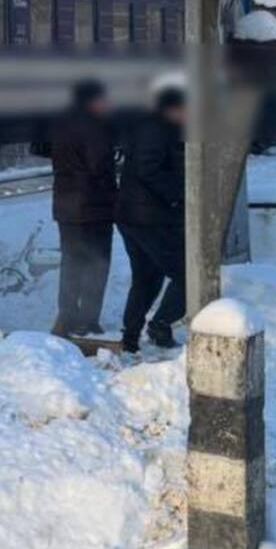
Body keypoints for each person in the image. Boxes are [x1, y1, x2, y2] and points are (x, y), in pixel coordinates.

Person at [116, 83, 188, 353]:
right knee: (187, 275)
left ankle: (130, 336)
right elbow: (149, 169)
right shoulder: (156, 129)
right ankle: (160, 325)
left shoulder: (149, 126)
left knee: (146, 277)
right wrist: (178, 195)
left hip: (135, 215)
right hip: (149, 217)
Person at [50, 80, 119, 338]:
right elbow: (99, 166)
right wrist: (115, 196)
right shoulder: (94, 127)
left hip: (66, 206)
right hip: (93, 207)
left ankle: (66, 316)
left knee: (71, 264)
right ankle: (88, 320)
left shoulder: (61, 123)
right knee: (97, 264)